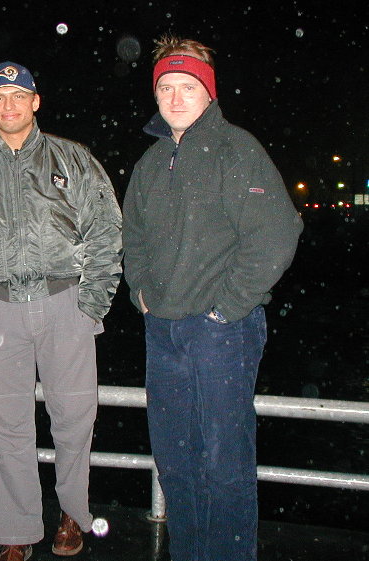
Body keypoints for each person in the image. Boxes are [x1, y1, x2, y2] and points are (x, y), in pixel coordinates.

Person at [121, 36, 303, 561]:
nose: (176, 98)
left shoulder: (236, 150)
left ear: (209, 93)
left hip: (222, 332)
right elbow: (132, 236)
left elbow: (276, 233)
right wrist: (141, 292)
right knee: (175, 461)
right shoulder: (152, 162)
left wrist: (227, 306)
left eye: (188, 87)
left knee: (225, 463)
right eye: (166, 87)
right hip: (163, 331)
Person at [0, 61, 122, 561]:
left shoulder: (73, 158)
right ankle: (13, 529)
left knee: (74, 419)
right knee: (3, 427)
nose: (9, 105)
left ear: (35, 101)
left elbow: (106, 230)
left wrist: (91, 304)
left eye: (19, 95)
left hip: (66, 306)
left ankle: (72, 512)